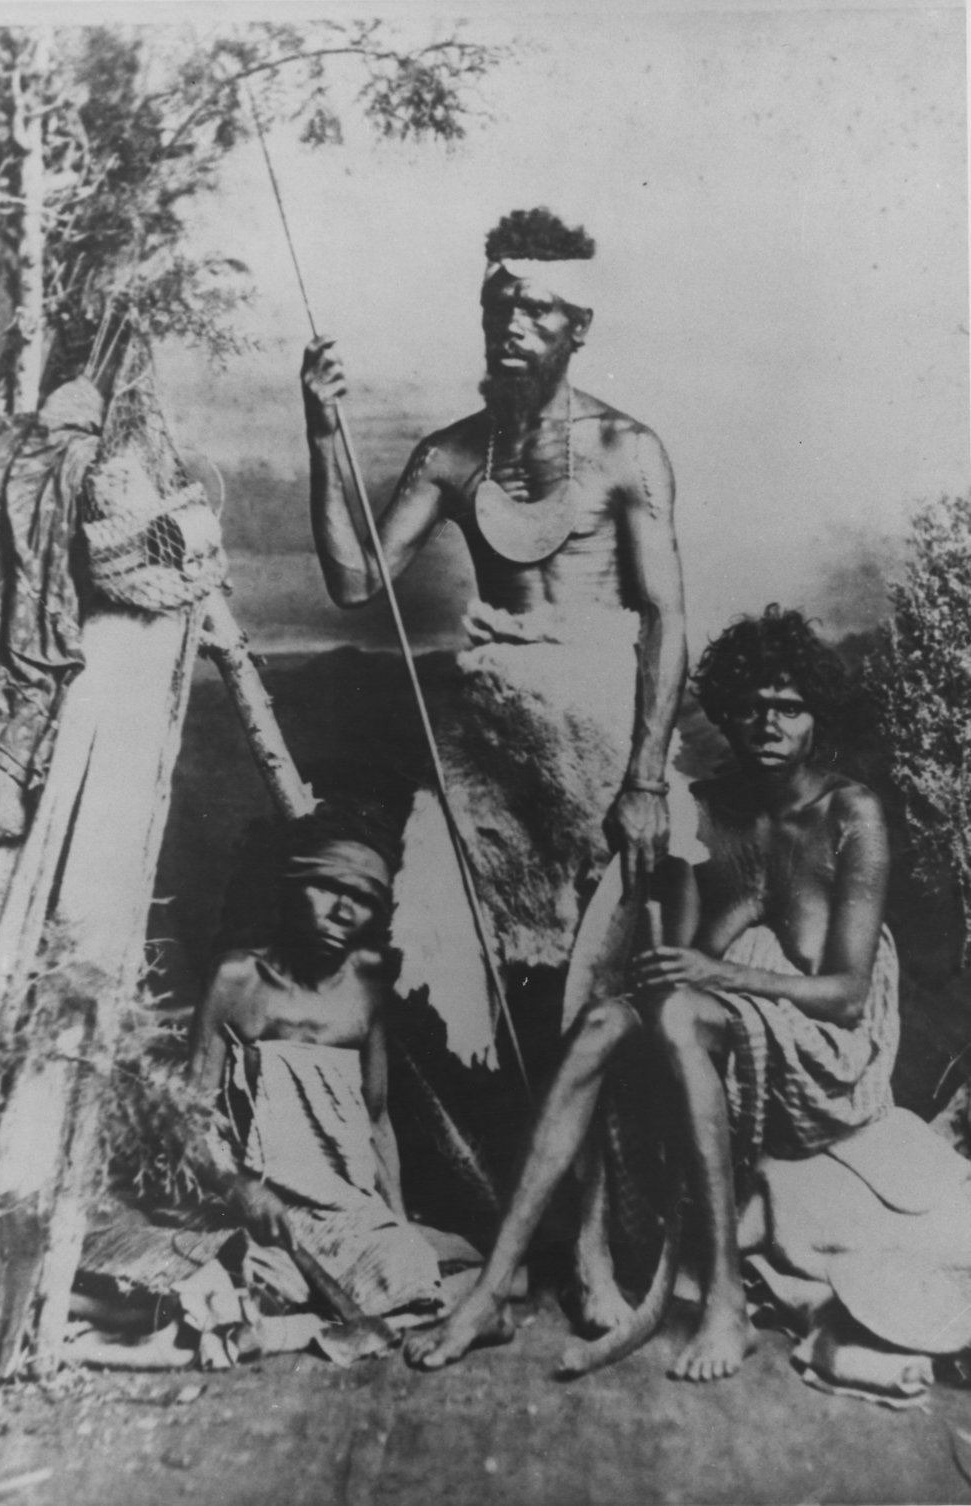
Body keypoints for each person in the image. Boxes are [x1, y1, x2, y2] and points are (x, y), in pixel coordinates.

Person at [404, 606, 897, 1381]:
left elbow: (842, 995)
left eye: (789, 706)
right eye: (750, 706)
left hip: (820, 1042)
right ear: (726, 711)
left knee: (671, 1013)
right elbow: (683, 960)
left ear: (815, 716)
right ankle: (494, 1285)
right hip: (714, 1015)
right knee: (602, 1021)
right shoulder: (702, 807)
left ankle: (725, 1301)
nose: (768, 723)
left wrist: (719, 976)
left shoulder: (848, 813)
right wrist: (682, 941)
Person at [301, 209, 701, 1060]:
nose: (511, 327)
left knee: (609, 979)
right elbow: (353, 581)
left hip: (602, 754)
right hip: (487, 754)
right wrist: (322, 434)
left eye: (537, 310)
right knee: (486, 971)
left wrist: (646, 782)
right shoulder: (450, 454)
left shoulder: (628, 449)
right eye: (498, 309)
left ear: (578, 326)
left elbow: (666, 616)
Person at [188, 799, 442, 1317]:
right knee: (241, 1285)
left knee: (410, 1266)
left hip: (343, 1208)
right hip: (256, 1208)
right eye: (328, 887)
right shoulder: (235, 980)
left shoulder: (369, 984)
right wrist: (237, 1188)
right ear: (291, 883)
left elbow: (375, 1119)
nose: (343, 911)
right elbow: (187, 1121)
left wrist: (395, 1219)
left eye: (362, 898)